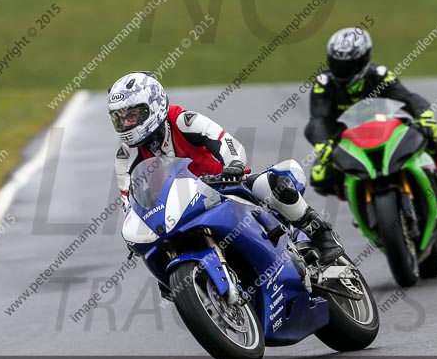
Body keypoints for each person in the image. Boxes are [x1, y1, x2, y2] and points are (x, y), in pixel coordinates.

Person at [109, 71, 345, 265]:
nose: (126, 123)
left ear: (154, 105)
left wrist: (233, 165)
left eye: (133, 115)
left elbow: (224, 141)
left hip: (222, 187)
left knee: (274, 183)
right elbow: (129, 204)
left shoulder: (183, 120)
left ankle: (320, 233)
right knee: (154, 253)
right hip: (177, 211)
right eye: (120, 118)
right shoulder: (125, 156)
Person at [305, 27, 437, 203]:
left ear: (364, 59)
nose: (342, 70)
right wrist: (323, 145)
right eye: (337, 64)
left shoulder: (379, 74)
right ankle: (358, 198)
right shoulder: (324, 83)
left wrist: (425, 117)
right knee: (320, 177)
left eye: (348, 66)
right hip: (342, 138)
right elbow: (317, 119)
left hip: (381, 128)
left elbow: (408, 98)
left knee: (429, 134)